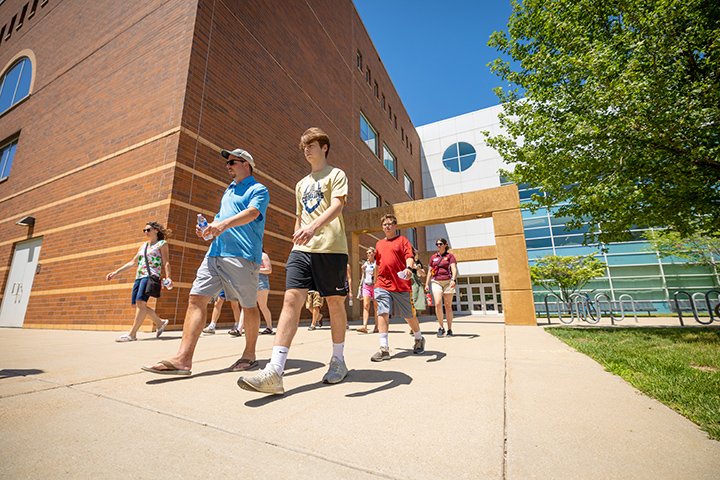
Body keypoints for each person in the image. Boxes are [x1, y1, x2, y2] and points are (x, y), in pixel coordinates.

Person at [239, 127, 349, 394]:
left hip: (332, 248)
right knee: (291, 298)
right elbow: (299, 217)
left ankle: (338, 360)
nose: (307, 149)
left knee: (334, 302)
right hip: (302, 250)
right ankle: (275, 371)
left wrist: (313, 228)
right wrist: (298, 235)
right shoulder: (301, 184)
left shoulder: (336, 174)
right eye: (304, 146)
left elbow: (338, 205)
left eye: (311, 144)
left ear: (324, 147)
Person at [141, 147, 269, 375]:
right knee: (196, 299)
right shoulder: (228, 191)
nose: (227, 166)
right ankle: (183, 360)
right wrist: (209, 230)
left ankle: (249, 355)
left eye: (232, 162)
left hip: (242, 256)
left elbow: (251, 214)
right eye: (227, 163)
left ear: (246, 164)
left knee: (248, 306)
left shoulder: (258, 189)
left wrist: (222, 224)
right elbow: (220, 221)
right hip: (214, 254)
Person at [370, 214, 425, 361]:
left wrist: (408, 268)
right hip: (382, 284)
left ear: (395, 226)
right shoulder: (379, 244)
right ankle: (384, 348)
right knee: (383, 311)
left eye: (390, 224)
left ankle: (419, 338)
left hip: (400, 285)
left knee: (408, 315)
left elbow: (409, 256)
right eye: (384, 224)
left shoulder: (402, 240)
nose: (387, 226)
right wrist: (375, 282)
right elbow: (378, 264)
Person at [106, 221, 172, 342]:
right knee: (136, 305)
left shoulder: (162, 244)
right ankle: (160, 322)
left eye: (148, 230)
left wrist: (168, 277)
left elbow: (166, 262)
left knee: (141, 303)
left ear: (156, 230)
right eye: (144, 230)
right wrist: (116, 272)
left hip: (150, 275)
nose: (146, 232)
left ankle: (132, 334)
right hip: (139, 276)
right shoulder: (143, 246)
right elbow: (132, 262)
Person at [425, 238, 458, 337]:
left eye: (440, 244)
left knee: (448, 306)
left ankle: (450, 329)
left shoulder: (450, 256)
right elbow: (430, 271)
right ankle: (441, 327)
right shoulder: (433, 257)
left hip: (448, 282)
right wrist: (426, 284)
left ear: (445, 245)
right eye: (437, 244)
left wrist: (453, 279)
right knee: (438, 303)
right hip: (436, 282)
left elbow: (454, 269)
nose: (438, 245)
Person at [356, 247, 378, 334]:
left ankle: (377, 327)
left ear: (374, 254)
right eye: (367, 253)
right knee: (366, 305)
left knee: (376, 307)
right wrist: (362, 270)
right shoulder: (365, 263)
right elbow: (363, 276)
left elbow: (378, 274)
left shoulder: (377, 263)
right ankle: (364, 326)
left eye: (370, 253)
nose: (368, 254)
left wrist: (375, 271)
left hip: (375, 286)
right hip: (366, 285)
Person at [408, 247, 426, 333]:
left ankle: (413, 327)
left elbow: (423, 274)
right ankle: (413, 326)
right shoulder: (404, 260)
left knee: (413, 305)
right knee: (409, 306)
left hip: (414, 284)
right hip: (406, 283)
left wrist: (417, 268)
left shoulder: (417, 262)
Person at [258, 249, 274, 334]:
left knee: (263, 306)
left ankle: (269, 327)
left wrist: (256, 269)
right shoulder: (249, 255)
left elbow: (269, 270)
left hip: (261, 284)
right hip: (250, 284)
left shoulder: (263, 255)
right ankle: (239, 329)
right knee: (246, 306)